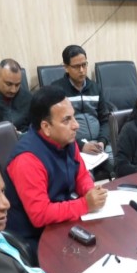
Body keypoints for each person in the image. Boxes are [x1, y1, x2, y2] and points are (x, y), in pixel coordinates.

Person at [5, 85, 107, 258]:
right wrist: (85, 204)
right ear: (46, 127)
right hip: (34, 237)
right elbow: (40, 215)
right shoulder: (27, 159)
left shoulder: (66, 140)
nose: (76, 125)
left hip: (61, 221)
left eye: (73, 116)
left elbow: (81, 174)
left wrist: (90, 191)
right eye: (67, 120)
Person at [50, 45, 113, 178]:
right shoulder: (57, 91)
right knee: (86, 176)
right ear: (66, 67)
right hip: (73, 146)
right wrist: (81, 145)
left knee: (117, 163)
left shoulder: (95, 88)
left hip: (98, 144)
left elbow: (105, 119)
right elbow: (57, 127)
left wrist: (102, 141)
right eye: (76, 66)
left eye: (84, 65)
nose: (82, 70)